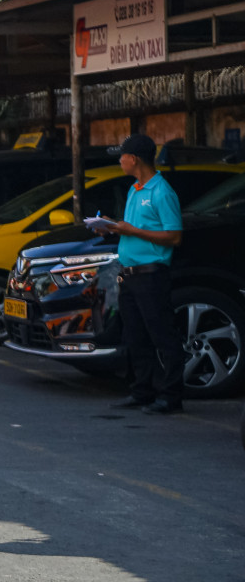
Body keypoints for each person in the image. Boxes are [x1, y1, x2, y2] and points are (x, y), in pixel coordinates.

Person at [104, 134, 186, 414]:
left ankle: (170, 396)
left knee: (161, 334)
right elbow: (132, 227)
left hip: (151, 274)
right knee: (135, 334)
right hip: (129, 274)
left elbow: (174, 236)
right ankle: (142, 390)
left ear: (134, 159)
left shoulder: (162, 192)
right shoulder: (134, 190)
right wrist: (113, 227)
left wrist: (133, 231)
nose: (119, 161)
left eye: (122, 156)